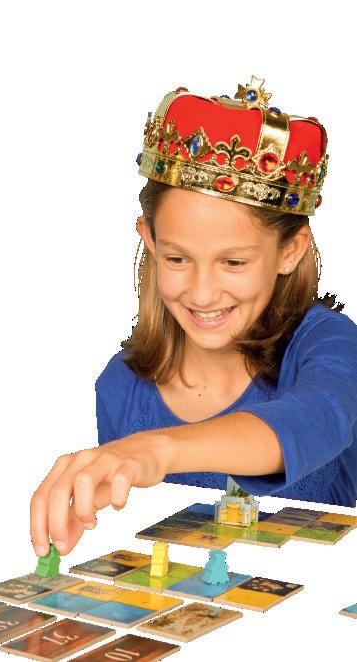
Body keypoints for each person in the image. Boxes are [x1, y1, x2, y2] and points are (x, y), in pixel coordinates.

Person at [30, 77, 357, 559]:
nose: (202, 293)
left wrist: (153, 450)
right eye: (178, 259)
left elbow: (315, 419)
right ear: (150, 240)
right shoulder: (121, 386)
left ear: (290, 250)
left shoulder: (329, 346)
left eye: (234, 262)